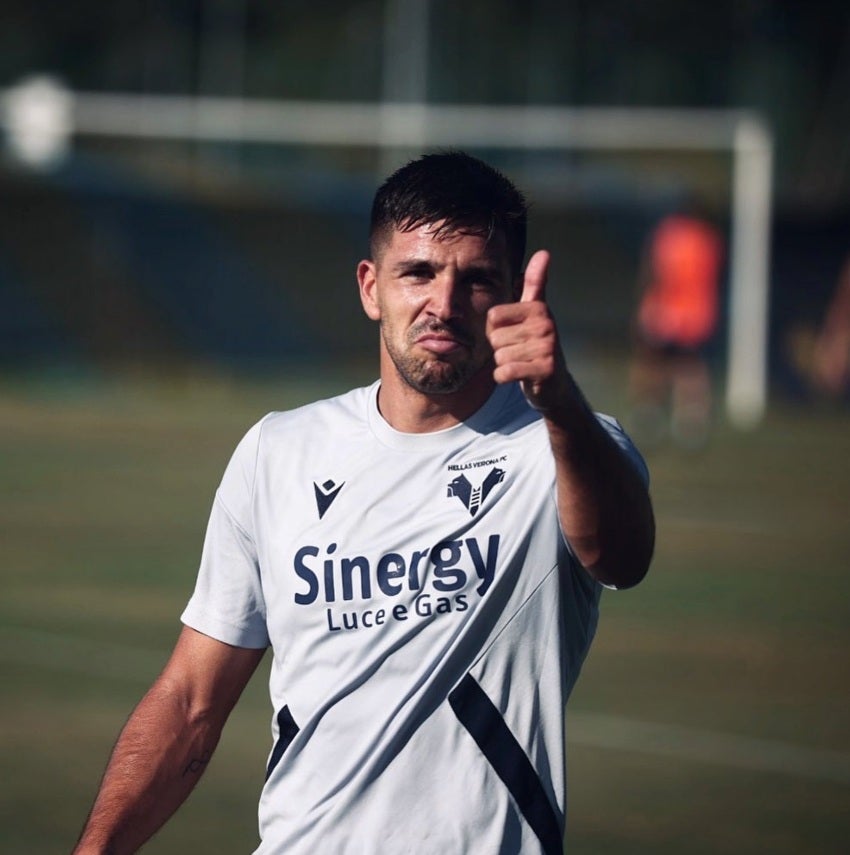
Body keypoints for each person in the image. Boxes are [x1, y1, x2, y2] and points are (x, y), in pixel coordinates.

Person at [73, 151, 655, 855]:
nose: (443, 304)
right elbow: (191, 701)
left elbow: (622, 555)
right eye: (418, 272)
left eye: (475, 278)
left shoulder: (562, 447)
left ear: (512, 298)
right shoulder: (277, 452)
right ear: (370, 287)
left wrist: (561, 403)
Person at [628, 206, 724, 449]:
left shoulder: (670, 234)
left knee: (653, 361)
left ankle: (649, 415)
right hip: (698, 311)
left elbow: (653, 270)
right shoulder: (708, 238)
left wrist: (645, 303)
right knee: (689, 364)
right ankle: (690, 420)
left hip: (667, 306)